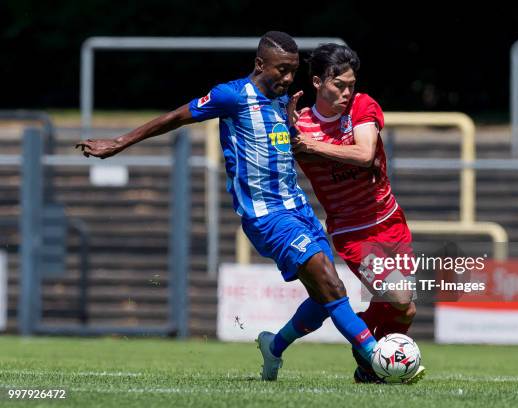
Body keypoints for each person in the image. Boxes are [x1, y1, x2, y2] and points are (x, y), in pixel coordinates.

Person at [75, 31, 377, 382]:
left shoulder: (284, 101)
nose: (287, 78)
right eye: (281, 70)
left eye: (293, 71)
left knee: (326, 298)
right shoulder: (231, 96)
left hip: (299, 209)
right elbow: (177, 117)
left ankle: (274, 346)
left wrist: (294, 129)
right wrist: (120, 141)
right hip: (267, 217)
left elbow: (285, 147)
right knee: (330, 284)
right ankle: (377, 357)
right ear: (260, 64)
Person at [291, 43, 425, 383]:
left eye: (352, 84)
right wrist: (284, 133)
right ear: (318, 82)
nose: (348, 92)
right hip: (353, 232)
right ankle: (364, 340)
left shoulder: (362, 106)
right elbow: (277, 148)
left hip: (391, 221)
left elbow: (365, 154)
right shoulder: (299, 126)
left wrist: (311, 146)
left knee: (406, 307)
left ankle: (369, 365)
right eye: (340, 85)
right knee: (400, 295)